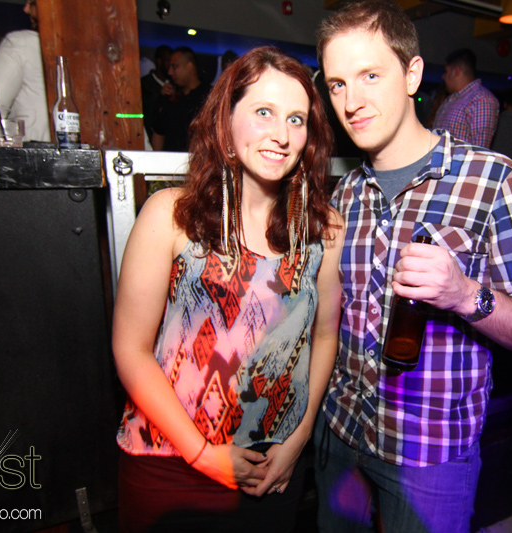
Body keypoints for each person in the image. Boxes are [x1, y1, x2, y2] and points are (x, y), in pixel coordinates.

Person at [314, 2, 512, 532]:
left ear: (412, 75)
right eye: (338, 84)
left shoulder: (492, 180)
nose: (351, 102)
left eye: (369, 76)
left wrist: (464, 295)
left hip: (428, 454)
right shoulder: (346, 193)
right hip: (340, 433)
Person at [113, 46, 343, 533]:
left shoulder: (324, 228)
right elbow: (130, 349)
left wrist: (300, 436)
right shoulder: (171, 214)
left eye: (296, 119)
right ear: (226, 119)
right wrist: (203, 454)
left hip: (271, 465)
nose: (282, 134)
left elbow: (325, 335)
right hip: (169, 461)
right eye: (263, 112)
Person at [0, 0, 51, 142]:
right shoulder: (92, 55)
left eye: (33, 2)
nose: (26, 9)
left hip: (28, 153)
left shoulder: (21, 44)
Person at [432, 48, 499, 148]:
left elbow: (479, 151)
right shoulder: (450, 100)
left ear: (456, 71)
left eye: (446, 71)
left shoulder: (481, 100)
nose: (443, 76)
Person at [151, 46, 211, 151]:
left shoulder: (209, 97)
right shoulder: (170, 96)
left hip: (199, 159)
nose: (170, 72)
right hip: (170, 160)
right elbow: (158, 132)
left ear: (189, 67)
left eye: (175, 67)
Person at [141, 45, 172, 144]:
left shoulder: (177, 85)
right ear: (159, 61)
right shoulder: (144, 85)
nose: (171, 67)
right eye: (168, 61)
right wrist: (159, 96)